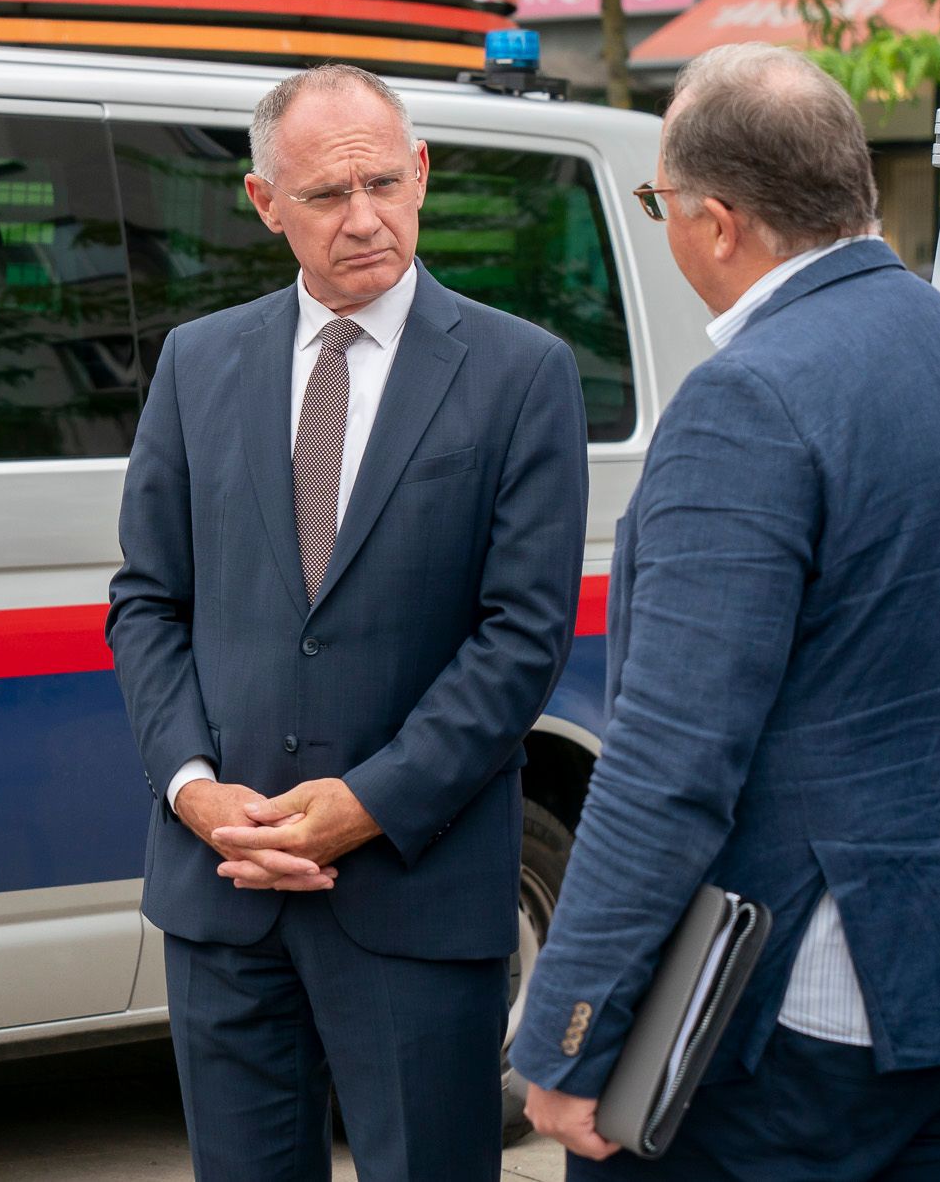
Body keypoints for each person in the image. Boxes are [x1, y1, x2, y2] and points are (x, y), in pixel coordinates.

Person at [512, 42, 940, 1180]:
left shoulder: (749, 400)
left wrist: (565, 1026)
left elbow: (670, 760)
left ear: (715, 222)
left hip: (787, 1014)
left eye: (656, 203)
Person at [107, 63, 589, 1181]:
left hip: (415, 896)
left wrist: (367, 805)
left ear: (420, 173)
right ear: (264, 202)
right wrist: (193, 791)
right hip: (223, 893)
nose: (364, 217)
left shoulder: (520, 375)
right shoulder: (197, 364)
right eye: (327, 195)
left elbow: (520, 636)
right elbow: (147, 600)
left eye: (383, 181)